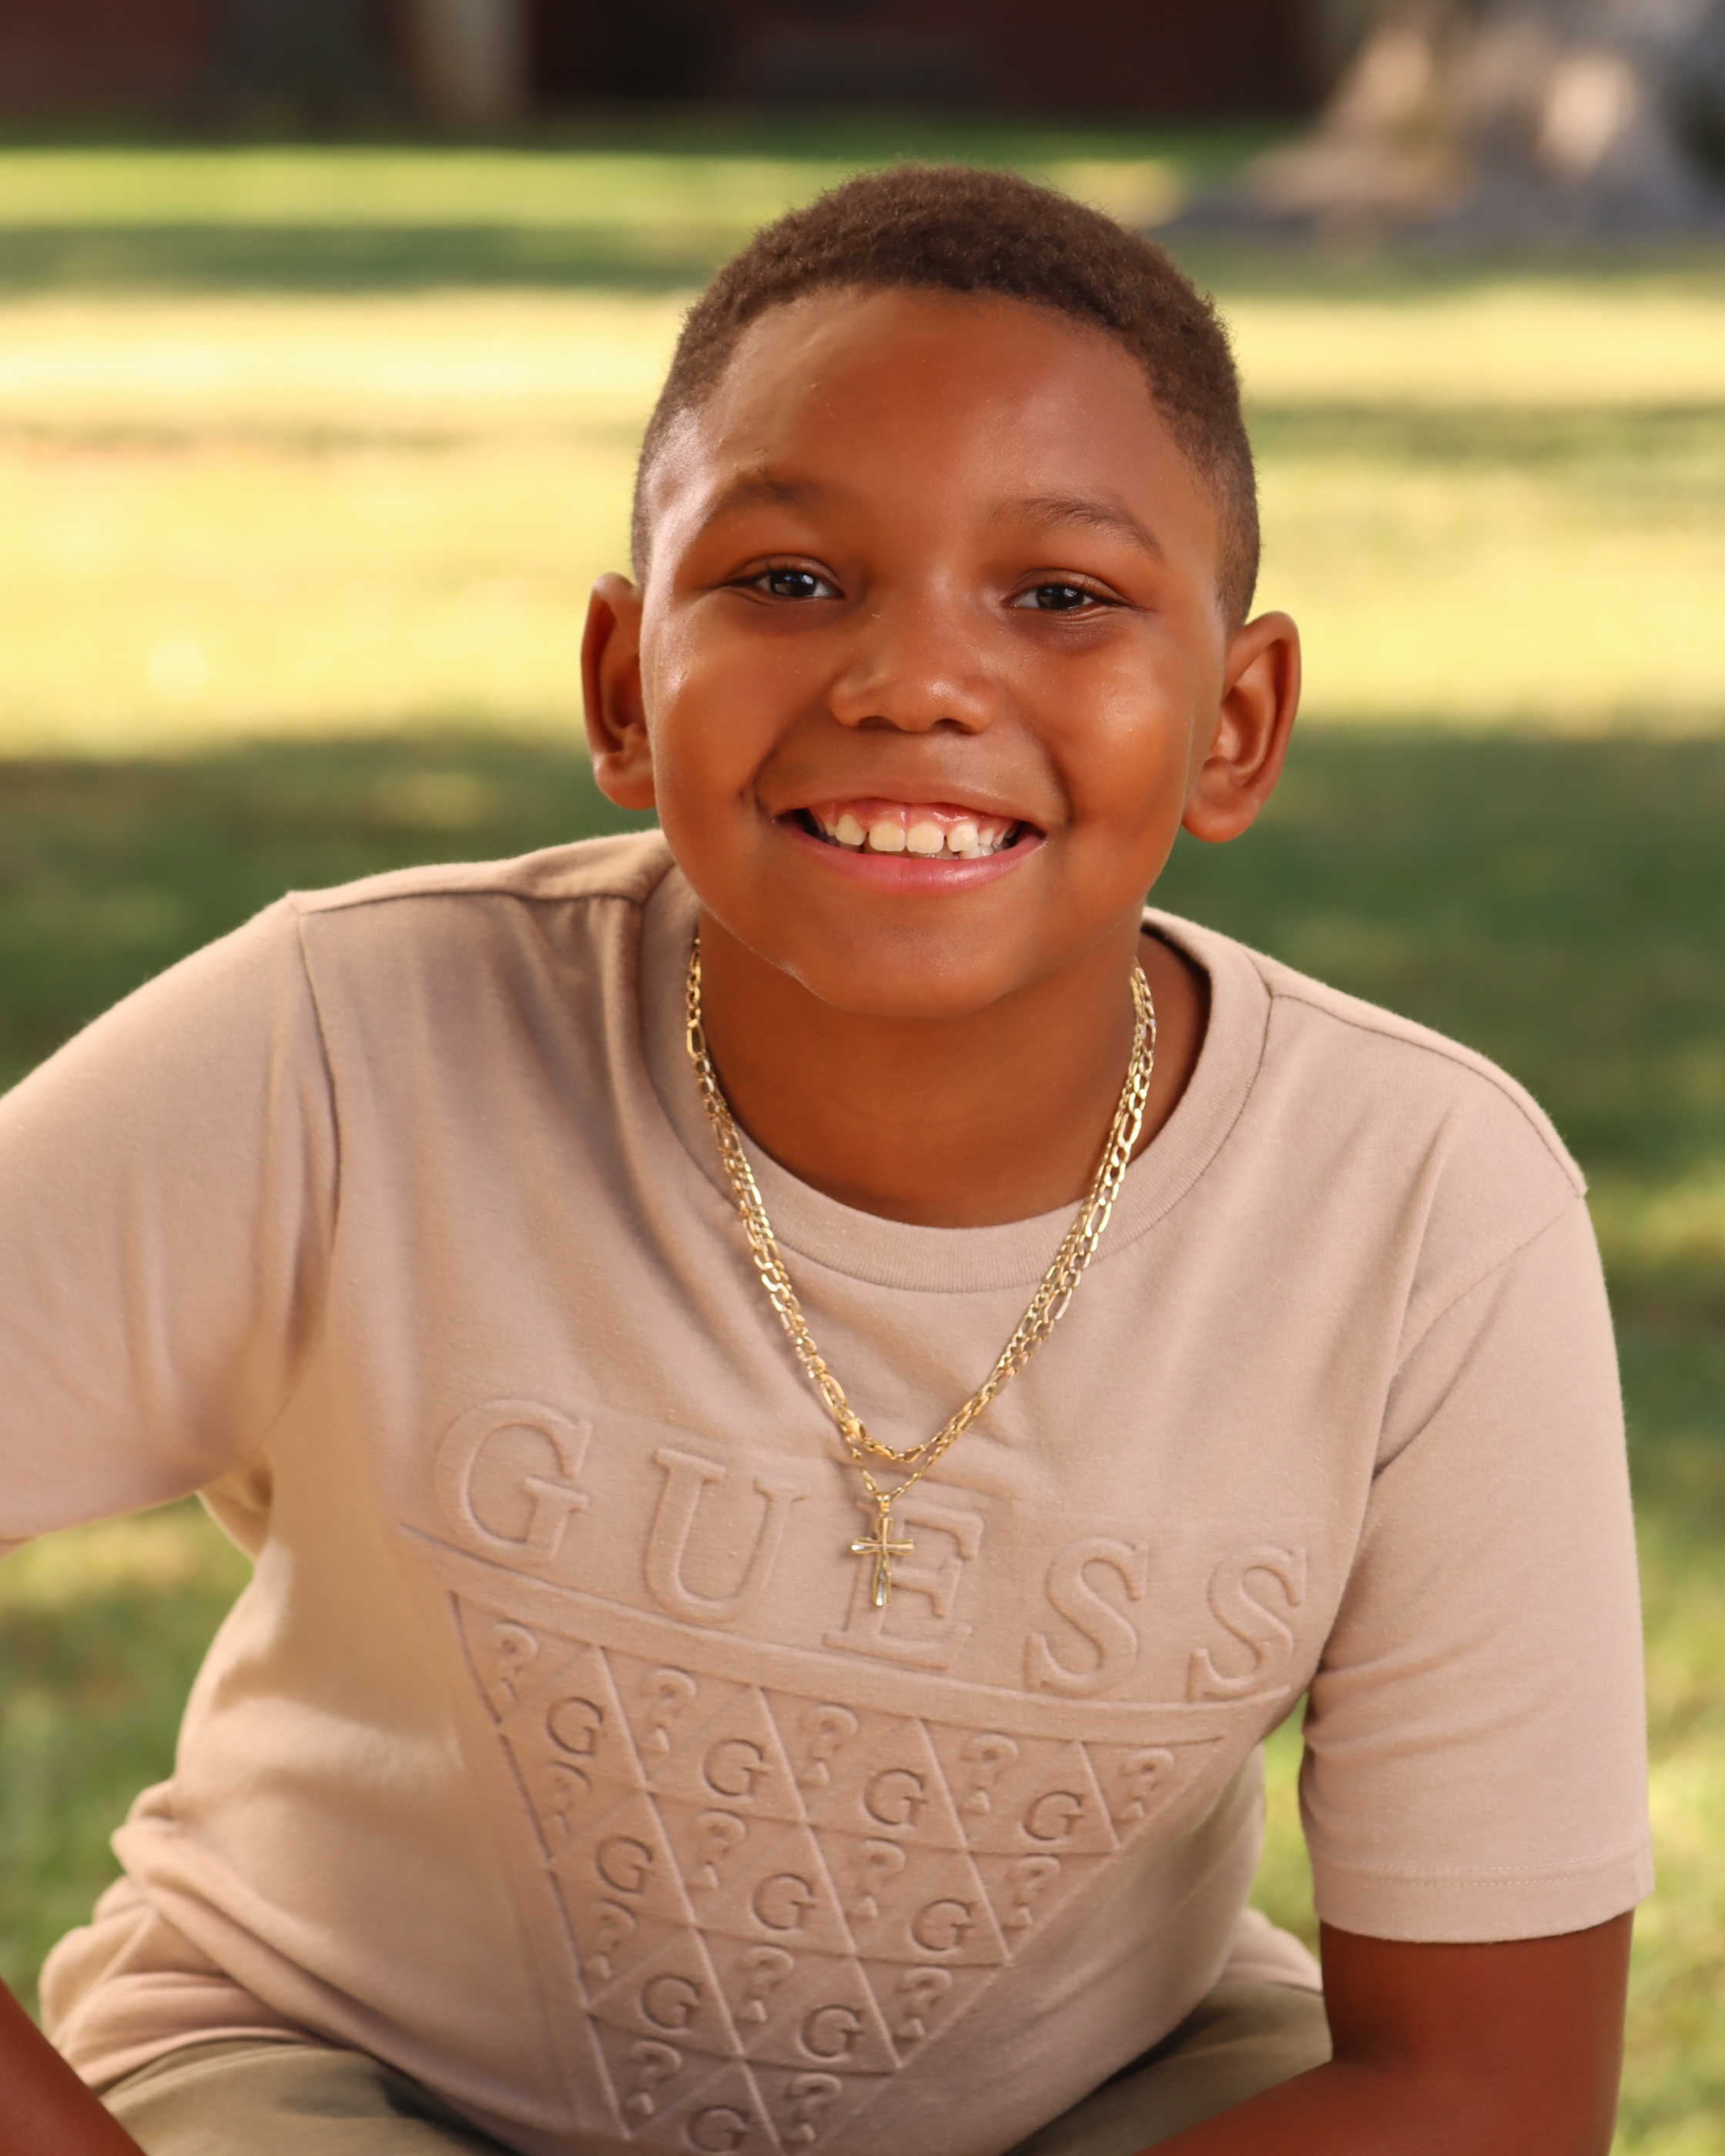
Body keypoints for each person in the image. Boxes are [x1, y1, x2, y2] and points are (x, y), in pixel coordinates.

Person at [0, 166, 1649, 2156]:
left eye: (1062, 595)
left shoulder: (1427, 1213)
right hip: (334, 2064)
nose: (912, 682)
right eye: (788, 581)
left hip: (1087, 2097)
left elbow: (1485, 2089)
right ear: (622, 688)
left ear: (1237, 722)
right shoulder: (341, 1050)